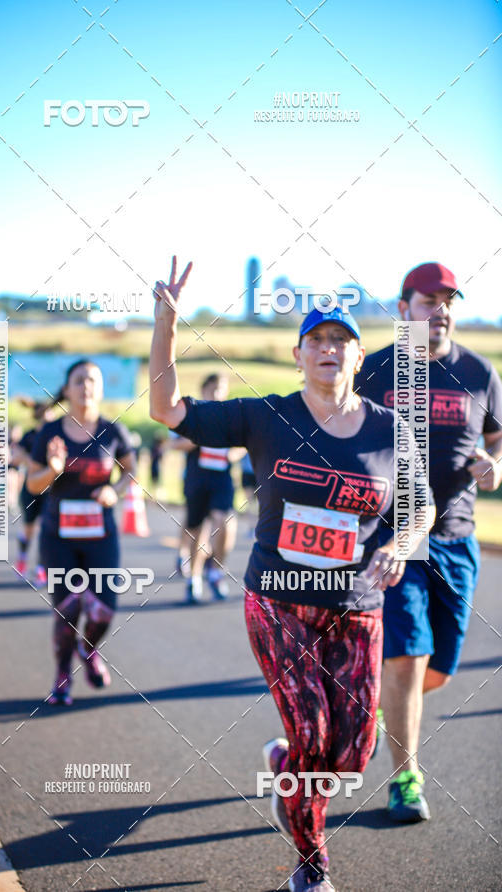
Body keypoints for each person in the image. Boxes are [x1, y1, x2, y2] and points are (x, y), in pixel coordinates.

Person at [149, 257, 434, 891]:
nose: (329, 349)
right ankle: (311, 864)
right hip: (277, 601)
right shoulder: (266, 417)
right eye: (317, 341)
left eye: (341, 340)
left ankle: (285, 766)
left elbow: (422, 506)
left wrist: (403, 544)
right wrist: (166, 323)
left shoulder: (392, 431)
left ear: (359, 357)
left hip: (357, 604)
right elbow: (166, 409)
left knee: (352, 753)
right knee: (312, 729)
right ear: (298, 355)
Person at [356, 262, 502, 822]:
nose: (439, 312)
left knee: (437, 668)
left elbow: (496, 437)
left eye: (448, 302)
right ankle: (405, 780)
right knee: (408, 658)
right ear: (403, 309)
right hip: (395, 540)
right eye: (427, 302)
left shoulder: (479, 372)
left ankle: (373, 704)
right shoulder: (375, 370)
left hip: (458, 538)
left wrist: (493, 466)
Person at [27, 360, 136, 706]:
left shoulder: (114, 432)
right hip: (58, 535)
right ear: (68, 388)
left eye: (92, 380)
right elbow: (32, 483)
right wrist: (53, 470)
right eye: (79, 380)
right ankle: (62, 674)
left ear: (101, 389)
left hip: (100, 533)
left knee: (104, 609)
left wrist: (114, 492)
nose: (86, 386)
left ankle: (88, 650)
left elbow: (131, 473)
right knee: (69, 608)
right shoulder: (50, 433)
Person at [173, 373, 245, 603]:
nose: (216, 393)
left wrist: (233, 452)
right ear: (203, 390)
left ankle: (215, 571)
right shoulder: (193, 413)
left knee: (224, 522)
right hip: (197, 479)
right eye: (212, 388)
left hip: (221, 480)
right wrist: (200, 438)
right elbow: (175, 443)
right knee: (197, 530)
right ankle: (194, 578)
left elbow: (243, 444)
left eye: (220, 388)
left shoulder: (230, 415)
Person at [12, 400, 56, 585]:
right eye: (45, 414)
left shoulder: (57, 437)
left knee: (46, 529)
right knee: (29, 529)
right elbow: (15, 456)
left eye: (51, 413)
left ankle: (41, 569)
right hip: (31, 488)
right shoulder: (30, 436)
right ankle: (22, 556)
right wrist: (33, 463)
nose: (49, 417)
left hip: (51, 490)